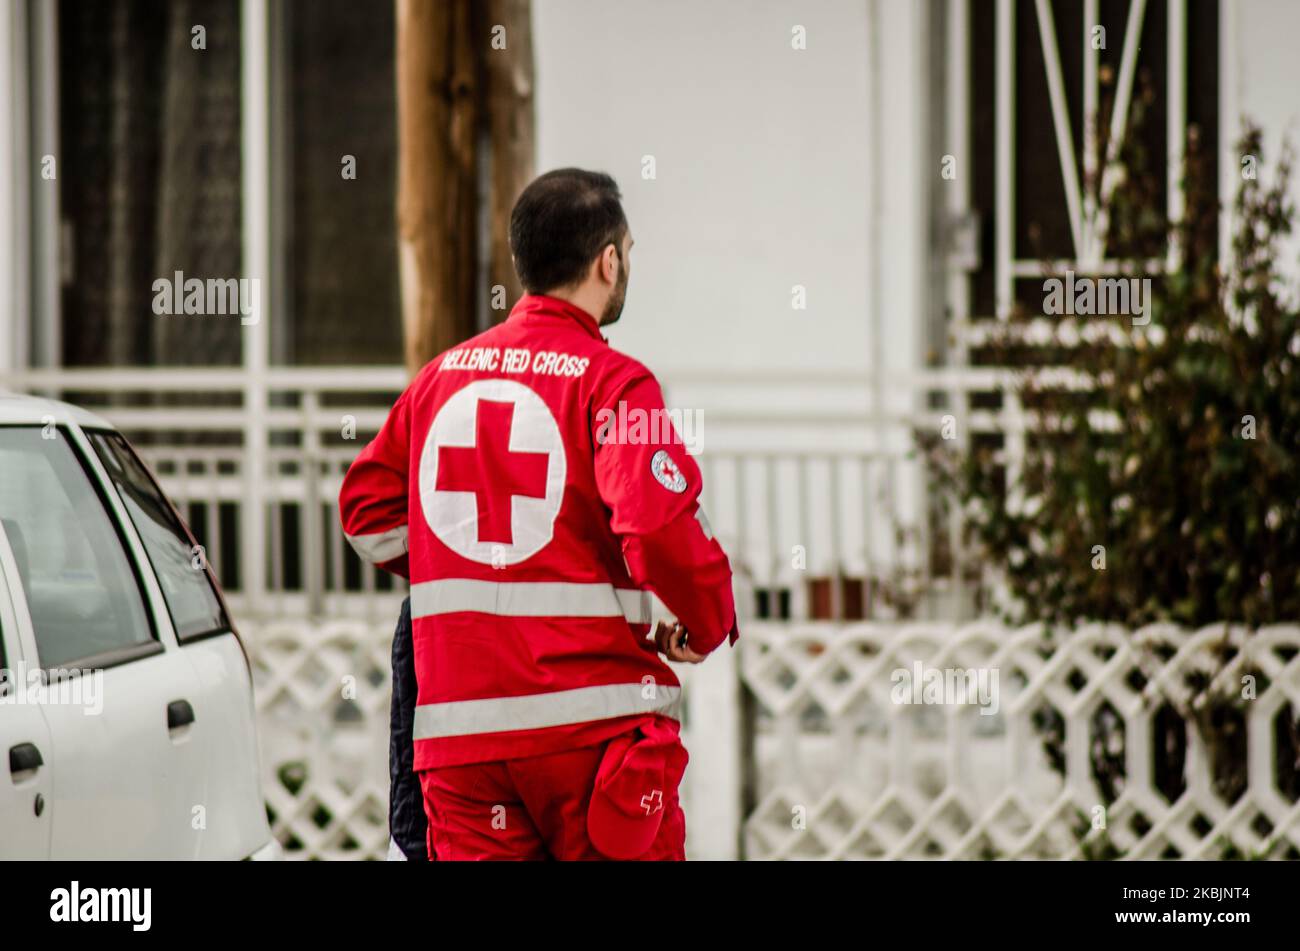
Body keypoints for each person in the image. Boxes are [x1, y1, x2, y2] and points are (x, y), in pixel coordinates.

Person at [339, 168, 738, 860]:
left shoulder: (439, 379)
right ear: (607, 262)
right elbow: (651, 522)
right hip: (590, 740)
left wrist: (457, 558)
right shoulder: (614, 383)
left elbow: (366, 516)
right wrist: (706, 619)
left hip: (459, 746)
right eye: (629, 253)